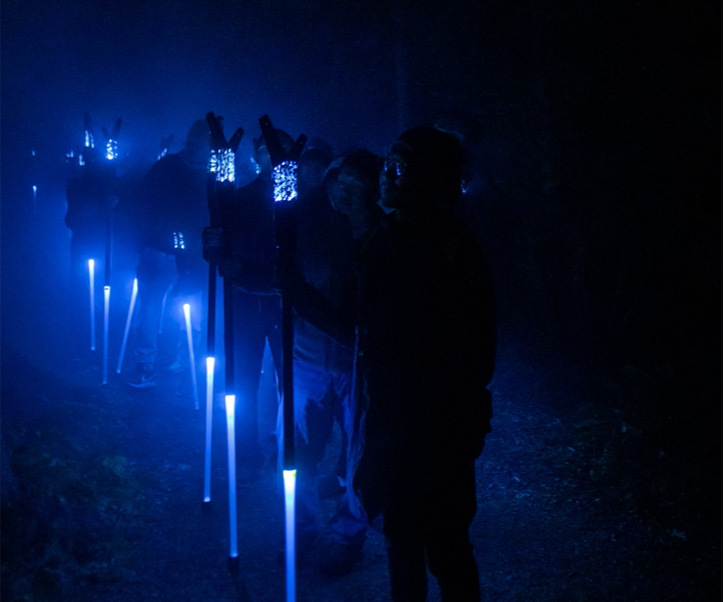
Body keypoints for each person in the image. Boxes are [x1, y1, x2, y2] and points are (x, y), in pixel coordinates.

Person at [287, 128, 495, 599]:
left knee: (443, 543)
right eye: (389, 165)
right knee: (405, 536)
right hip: (402, 418)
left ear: (431, 179)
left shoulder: (440, 249)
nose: (387, 177)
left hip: (429, 421)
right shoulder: (399, 241)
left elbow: (364, 329)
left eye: (399, 168)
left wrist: (295, 291)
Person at [286, 148, 384, 573]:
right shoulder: (308, 228)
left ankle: (348, 534)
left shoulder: (384, 237)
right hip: (308, 357)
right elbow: (292, 284)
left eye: (356, 185)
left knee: (360, 453)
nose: (345, 192)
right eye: (340, 182)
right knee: (299, 451)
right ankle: (302, 529)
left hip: (360, 368)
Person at [126, 119, 209, 388]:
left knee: (191, 310)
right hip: (160, 249)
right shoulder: (168, 167)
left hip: (194, 253)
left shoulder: (211, 172)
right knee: (150, 306)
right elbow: (141, 201)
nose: (204, 147)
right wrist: (145, 239)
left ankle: (185, 364)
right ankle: (145, 365)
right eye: (201, 141)